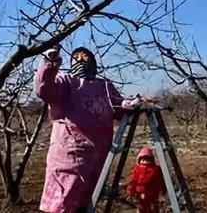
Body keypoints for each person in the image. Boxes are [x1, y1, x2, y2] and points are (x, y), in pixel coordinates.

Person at [34, 45, 129, 213]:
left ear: (93, 61)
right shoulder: (66, 81)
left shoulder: (105, 86)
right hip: (69, 156)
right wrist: (50, 61)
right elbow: (44, 90)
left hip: (97, 158)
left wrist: (131, 104)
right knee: (64, 202)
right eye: (76, 58)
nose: (80, 60)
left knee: (87, 202)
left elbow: (119, 107)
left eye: (85, 57)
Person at [126, 146, 166, 213]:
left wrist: (163, 189)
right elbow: (133, 181)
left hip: (151, 195)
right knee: (143, 208)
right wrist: (130, 191)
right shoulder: (137, 170)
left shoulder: (155, 170)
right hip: (142, 195)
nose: (145, 161)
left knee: (150, 208)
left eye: (147, 159)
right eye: (143, 159)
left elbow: (160, 181)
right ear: (139, 160)